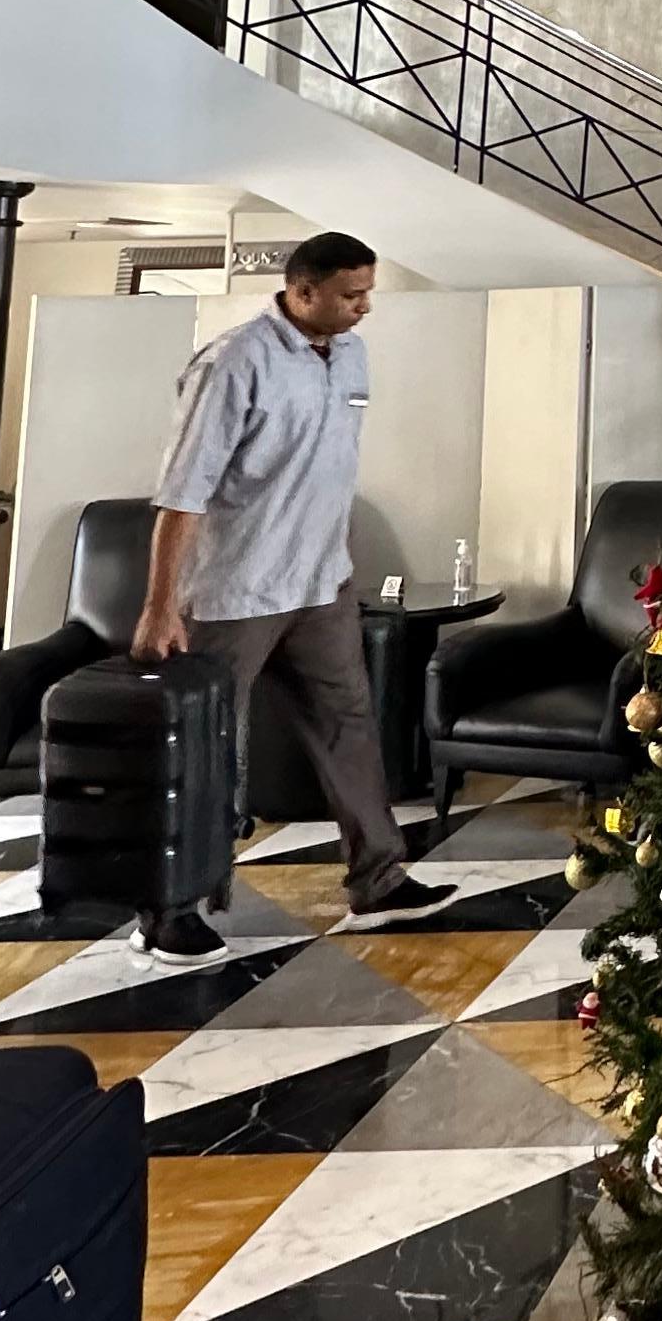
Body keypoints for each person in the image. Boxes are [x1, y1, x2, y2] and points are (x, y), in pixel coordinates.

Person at [130, 230, 440, 950]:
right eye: (350, 294)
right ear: (302, 292)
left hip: (319, 581)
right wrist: (160, 604)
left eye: (369, 293)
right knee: (203, 748)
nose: (365, 307)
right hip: (235, 589)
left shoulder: (352, 354)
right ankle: (170, 907)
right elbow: (182, 492)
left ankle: (380, 878)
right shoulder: (235, 363)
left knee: (349, 726)